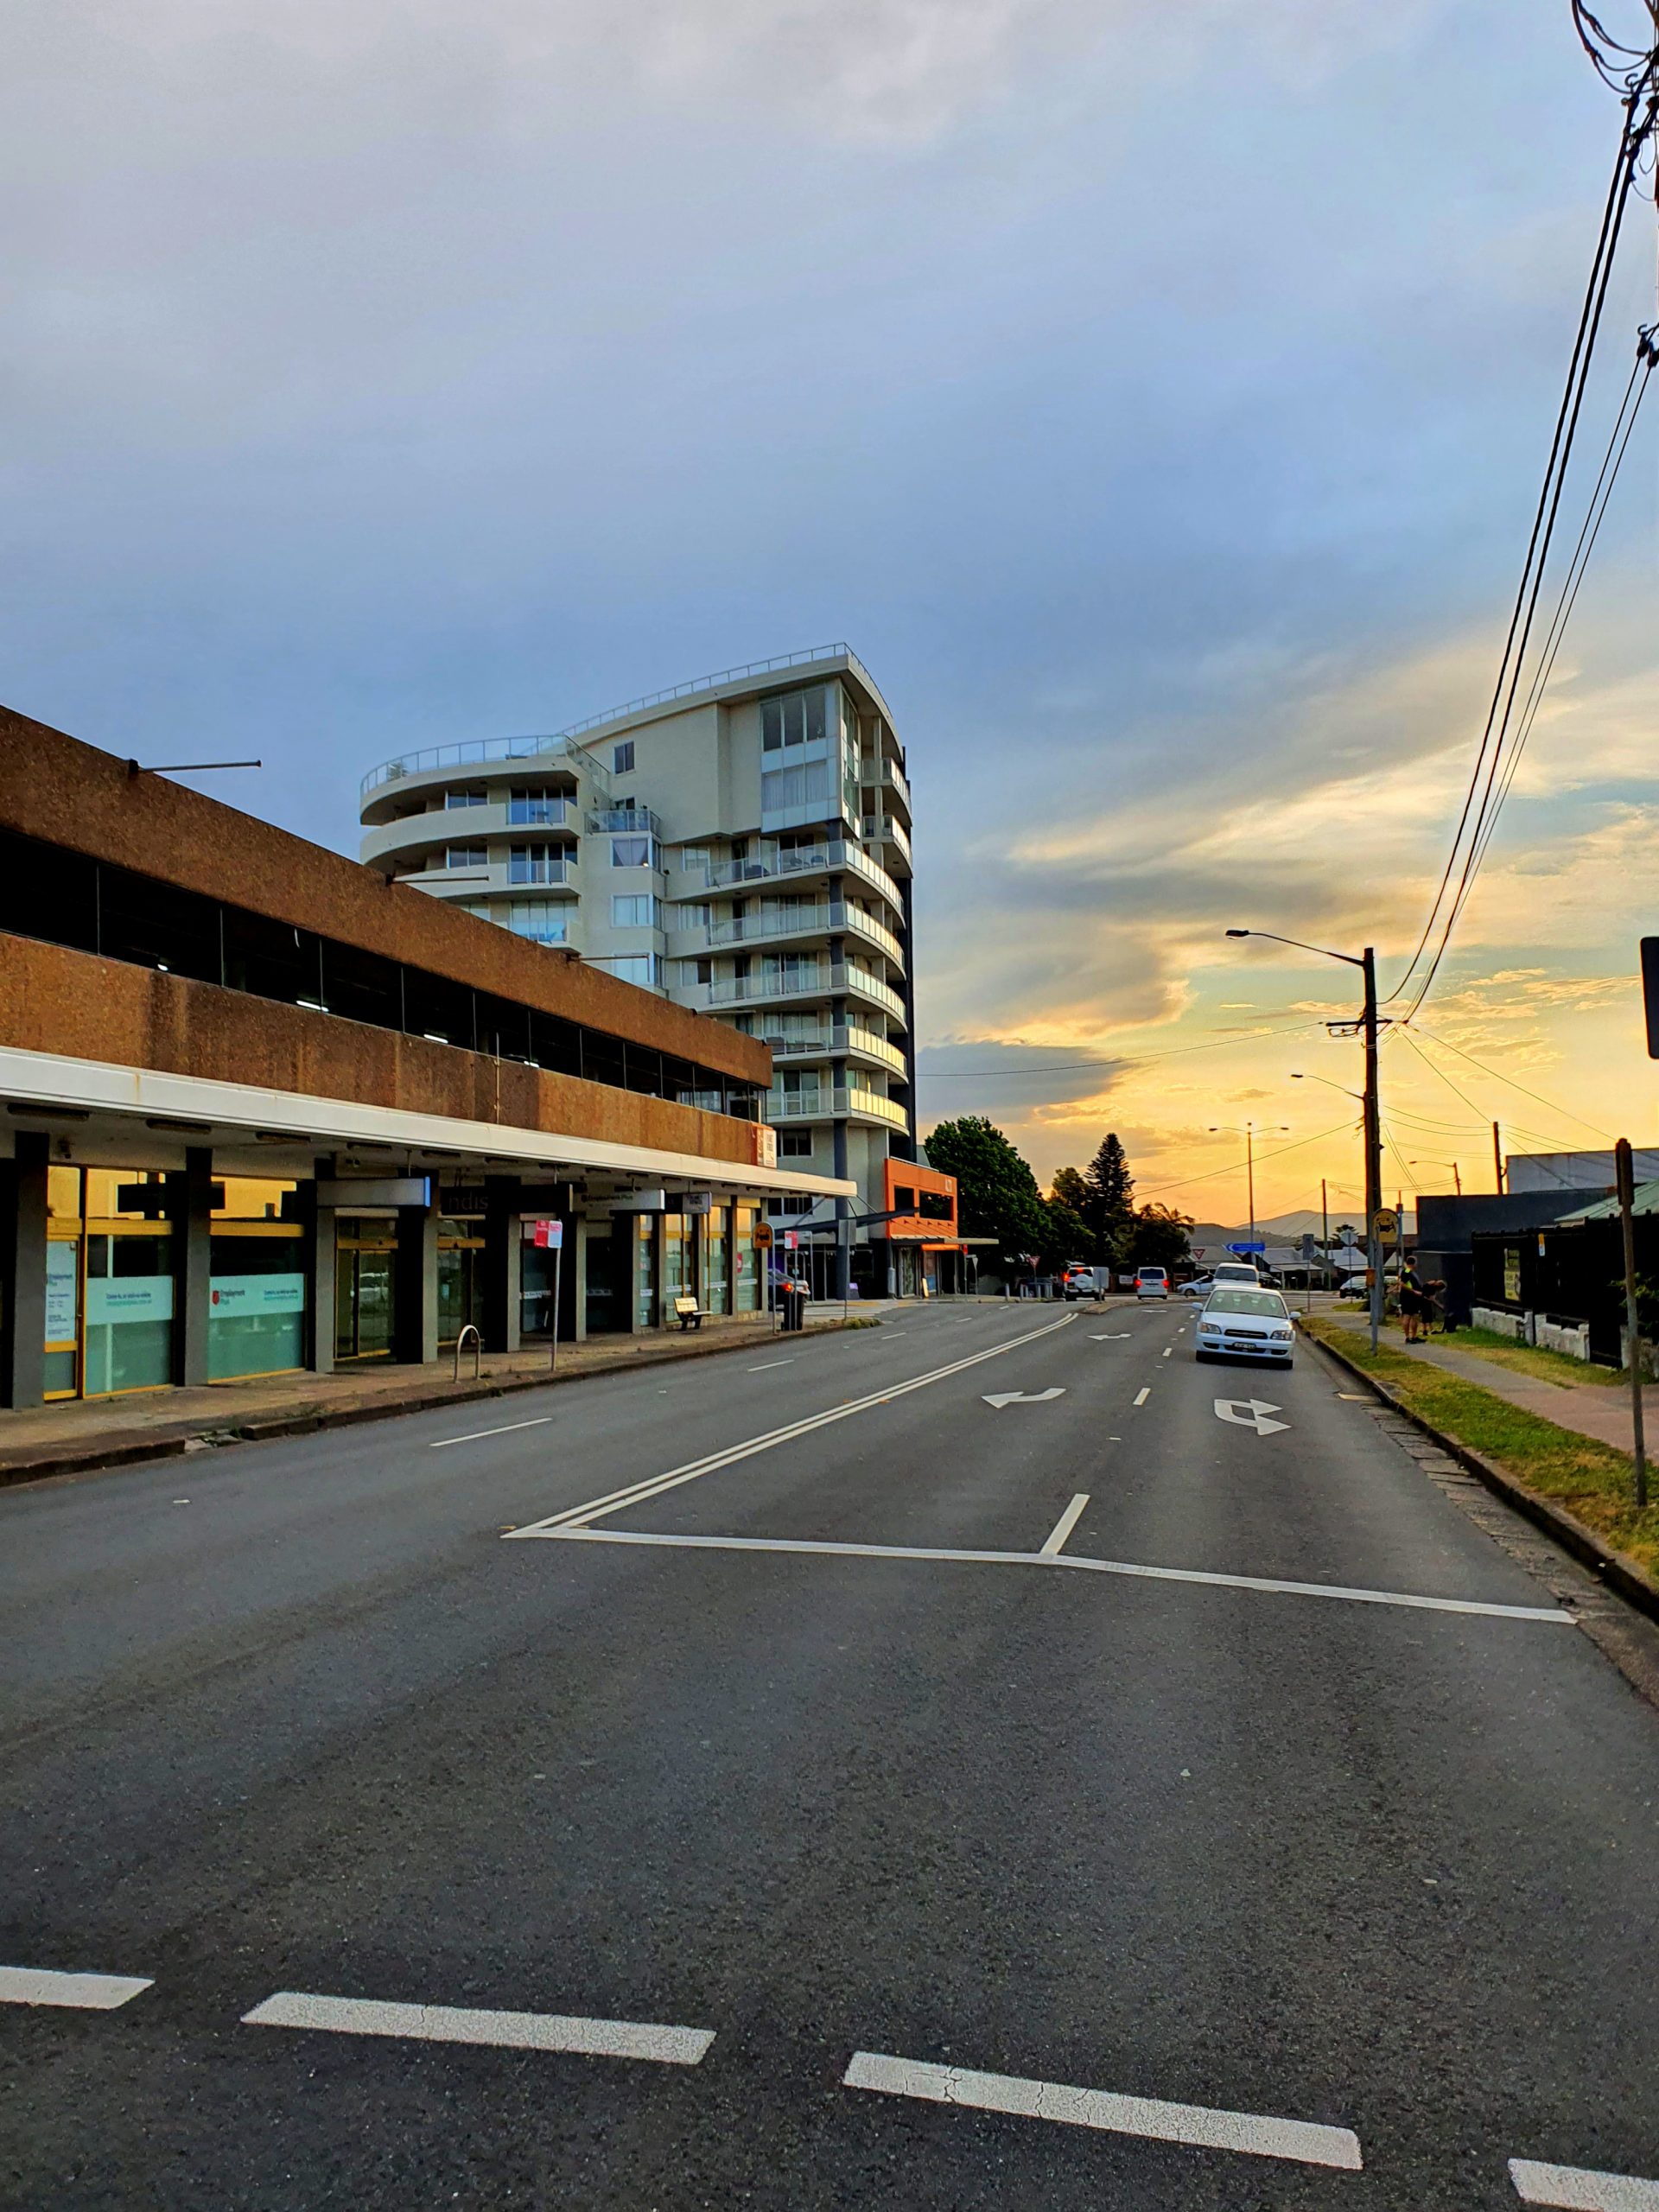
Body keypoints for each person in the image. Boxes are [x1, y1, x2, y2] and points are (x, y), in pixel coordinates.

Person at [1399, 1255, 1425, 1343]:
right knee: (1407, 1316)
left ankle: (1414, 1336)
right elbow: (1402, 1283)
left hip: (1414, 1298)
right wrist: (1414, 1291)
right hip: (1408, 1297)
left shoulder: (1413, 1272)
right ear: (1413, 1263)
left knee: (1415, 1316)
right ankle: (1407, 1337)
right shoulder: (1406, 1271)